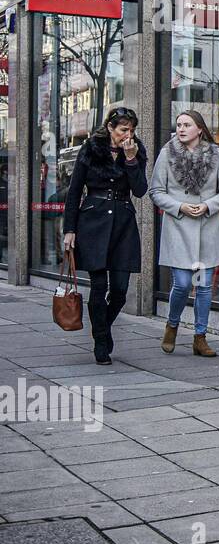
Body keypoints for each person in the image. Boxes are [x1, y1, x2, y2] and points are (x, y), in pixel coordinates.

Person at [62, 107, 149, 365]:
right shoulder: (90, 148)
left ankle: (103, 327)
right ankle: (101, 342)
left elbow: (141, 190)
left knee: (120, 291)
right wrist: (70, 229)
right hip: (93, 222)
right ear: (110, 128)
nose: (128, 135)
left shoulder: (136, 150)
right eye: (123, 129)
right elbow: (75, 190)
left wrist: (131, 160)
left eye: (131, 130)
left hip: (123, 223)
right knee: (99, 288)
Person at [149, 110, 219, 357]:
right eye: (178, 124)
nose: (181, 128)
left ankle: (200, 337)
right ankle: (172, 325)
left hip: (207, 229)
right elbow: (156, 191)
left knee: (204, 285)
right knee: (184, 283)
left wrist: (208, 205)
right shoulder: (167, 154)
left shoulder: (217, 155)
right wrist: (180, 207)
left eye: (187, 124)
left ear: (199, 128)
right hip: (178, 227)